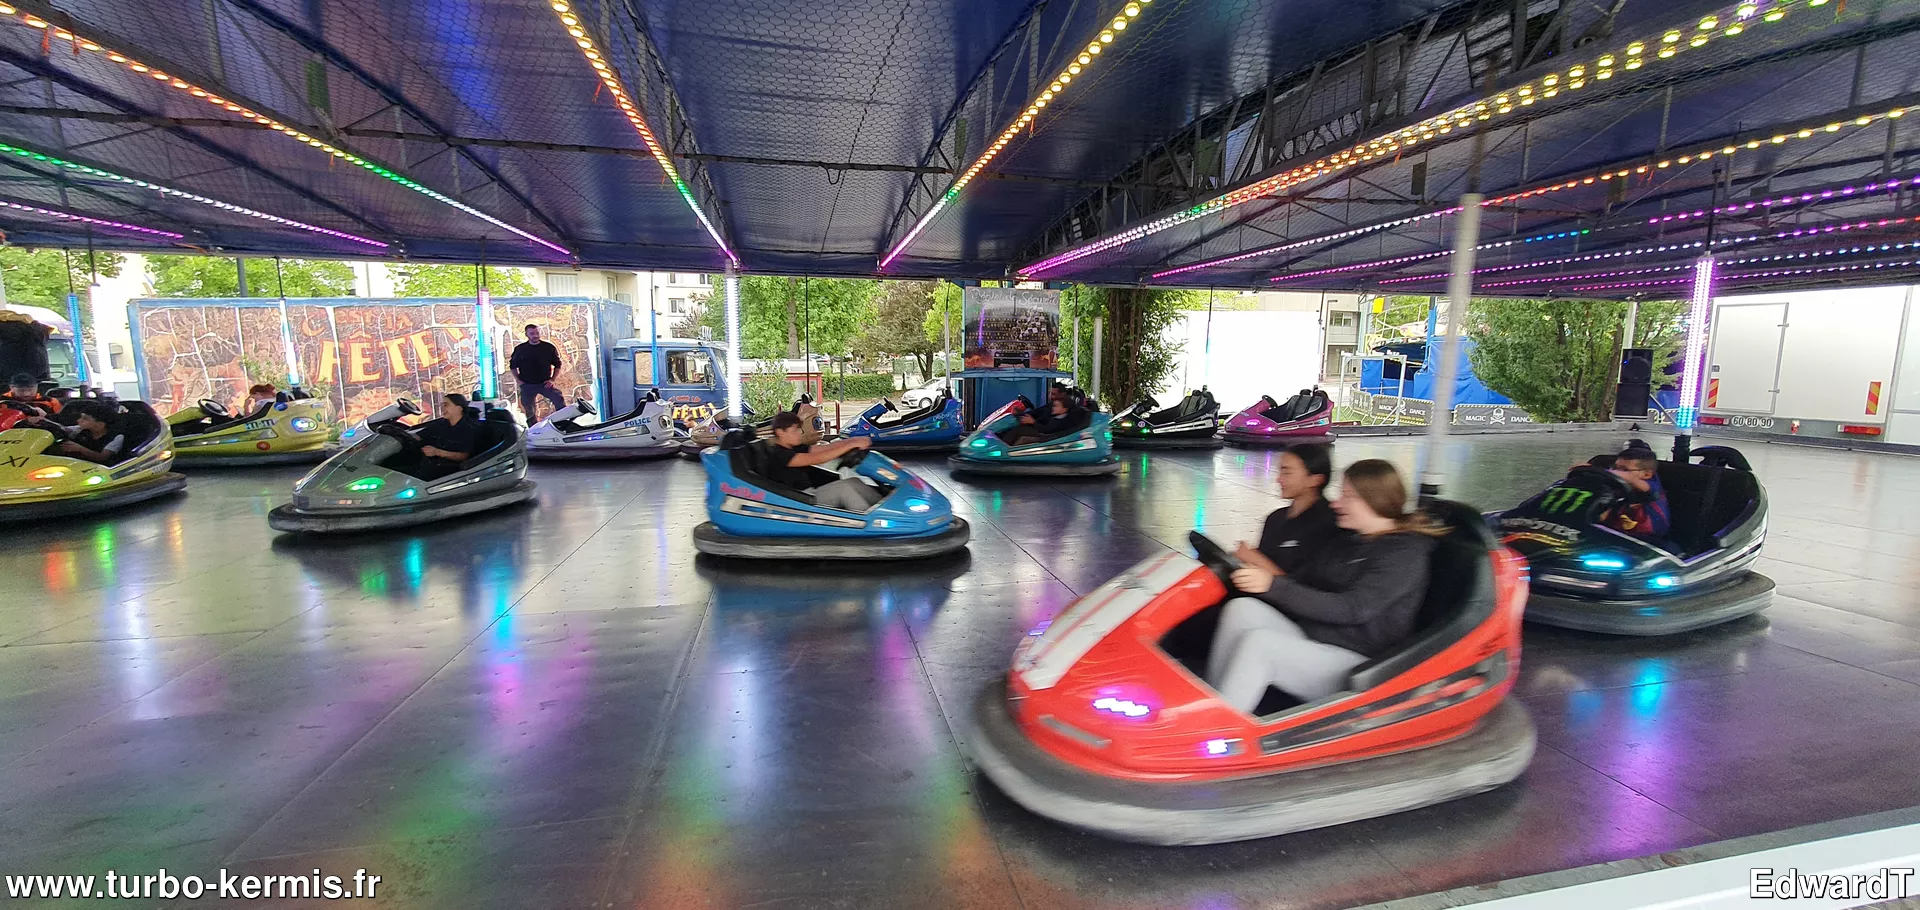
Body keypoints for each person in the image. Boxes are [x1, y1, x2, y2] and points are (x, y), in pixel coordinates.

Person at [1205, 459, 1439, 713]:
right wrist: (1259, 576)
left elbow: (1353, 609)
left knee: (1260, 645)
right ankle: (1214, 704)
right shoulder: (1348, 541)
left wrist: (1273, 586)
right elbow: (1303, 581)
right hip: (1317, 636)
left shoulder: (1404, 555)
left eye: (1347, 496)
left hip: (1358, 662)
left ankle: (1220, 727)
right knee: (1242, 609)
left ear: (1374, 500)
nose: (1336, 503)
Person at [1236, 442, 1348, 584]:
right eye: (1280, 472)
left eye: (1287, 473)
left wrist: (1256, 560)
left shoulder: (1329, 525)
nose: (1279, 479)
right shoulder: (1275, 519)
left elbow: (1305, 589)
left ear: (1315, 480)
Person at [758, 411, 883, 512]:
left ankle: (883, 509)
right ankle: (871, 523)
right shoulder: (779, 454)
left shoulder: (793, 447)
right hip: (798, 501)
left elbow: (824, 448)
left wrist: (852, 441)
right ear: (780, 432)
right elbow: (819, 458)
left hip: (809, 493)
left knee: (854, 481)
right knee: (844, 489)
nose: (800, 433)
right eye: (795, 430)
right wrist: (851, 444)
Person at [404, 393, 484, 481]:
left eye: (446, 405)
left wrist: (437, 452)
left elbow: (464, 456)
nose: (442, 408)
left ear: (459, 408)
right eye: (442, 405)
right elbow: (418, 436)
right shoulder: (440, 424)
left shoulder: (469, 428)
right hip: (430, 464)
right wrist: (401, 434)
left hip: (451, 471)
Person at [1602, 440, 1671, 538]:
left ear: (1646, 474)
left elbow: (1631, 478)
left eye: (1624, 470)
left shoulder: (1652, 485)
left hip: (1649, 539)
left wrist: (1603, 472)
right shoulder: (1618, 488)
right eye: (1615, 467)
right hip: (1617, 535)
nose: (1618, 472)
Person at [510, 324, 565, 421]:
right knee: (529, 410)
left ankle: (563, 421)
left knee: (558, 398)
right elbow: (513, 366)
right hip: (527, 384)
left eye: (537, 333)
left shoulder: (548, 348)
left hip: (545, 383)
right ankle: (534, 428)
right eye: (532, 333)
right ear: (526, 334)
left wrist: (552, 380)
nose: (535, 336)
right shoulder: (520, 349)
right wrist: (519, 381)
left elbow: (557, 365)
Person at [52, 400, 130, 464]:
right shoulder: (80, 430)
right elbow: (62, 428)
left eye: (85, 419)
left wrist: (79, 449)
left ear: (100, 424)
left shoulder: (116, 437)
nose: (79, 420)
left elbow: (103, 457)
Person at [999, 394, 1082, 447]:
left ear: (1064, 409)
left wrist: (1033, 422)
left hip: (1045, 437)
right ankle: (1002, 442)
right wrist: (1021, 414)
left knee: (1019, 430)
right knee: (1020, 426)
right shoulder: (1055, 416)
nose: (1053, 408)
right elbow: (1039, 416)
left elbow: (1047, 430)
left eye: (1056, 406)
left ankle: (1002, 447)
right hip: (1042, 433)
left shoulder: (1060, 420)